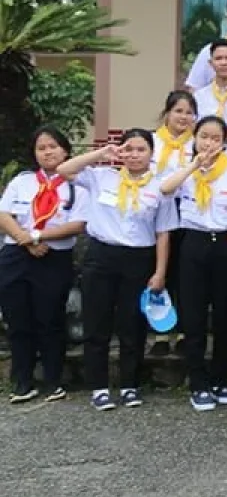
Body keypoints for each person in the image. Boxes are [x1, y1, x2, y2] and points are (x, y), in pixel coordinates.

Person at [56, 131, 177, 411]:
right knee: (96, 323)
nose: (134, 155)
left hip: (139, 258)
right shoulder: (102, 177)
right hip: (102, 256)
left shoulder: (160, 187)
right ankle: (99, 387)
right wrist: (101, 153)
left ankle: (129, 385)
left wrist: (160, 272)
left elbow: (163, 233)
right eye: (129, 149)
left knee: (132, 325)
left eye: (141, 149)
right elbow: (64, 169)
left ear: (151, 154)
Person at [159, 115, 227, 410]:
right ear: (195, 139)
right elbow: (165, 189)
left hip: (225, 243)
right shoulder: (183, 169)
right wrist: (194, 166)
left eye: (215, 138)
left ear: (224, 143)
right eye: (204, 137)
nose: (209, 143)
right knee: (194, 315)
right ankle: (197, 382)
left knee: (224, 314)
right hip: (193, 242)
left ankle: (221, 379)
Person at [0, 127, 87, 403]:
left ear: (65, 150)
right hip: (16, 255)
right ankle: (22, 382)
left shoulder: (79, 184)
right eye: (41, 148)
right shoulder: (22, 181)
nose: (47, 152)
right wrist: (26, 240)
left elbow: (78, 225)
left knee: (49, 320)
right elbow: (4, 215)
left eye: (53, 146)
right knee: (17, 320)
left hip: (53, 258)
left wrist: (39, 236)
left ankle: (53, 381)